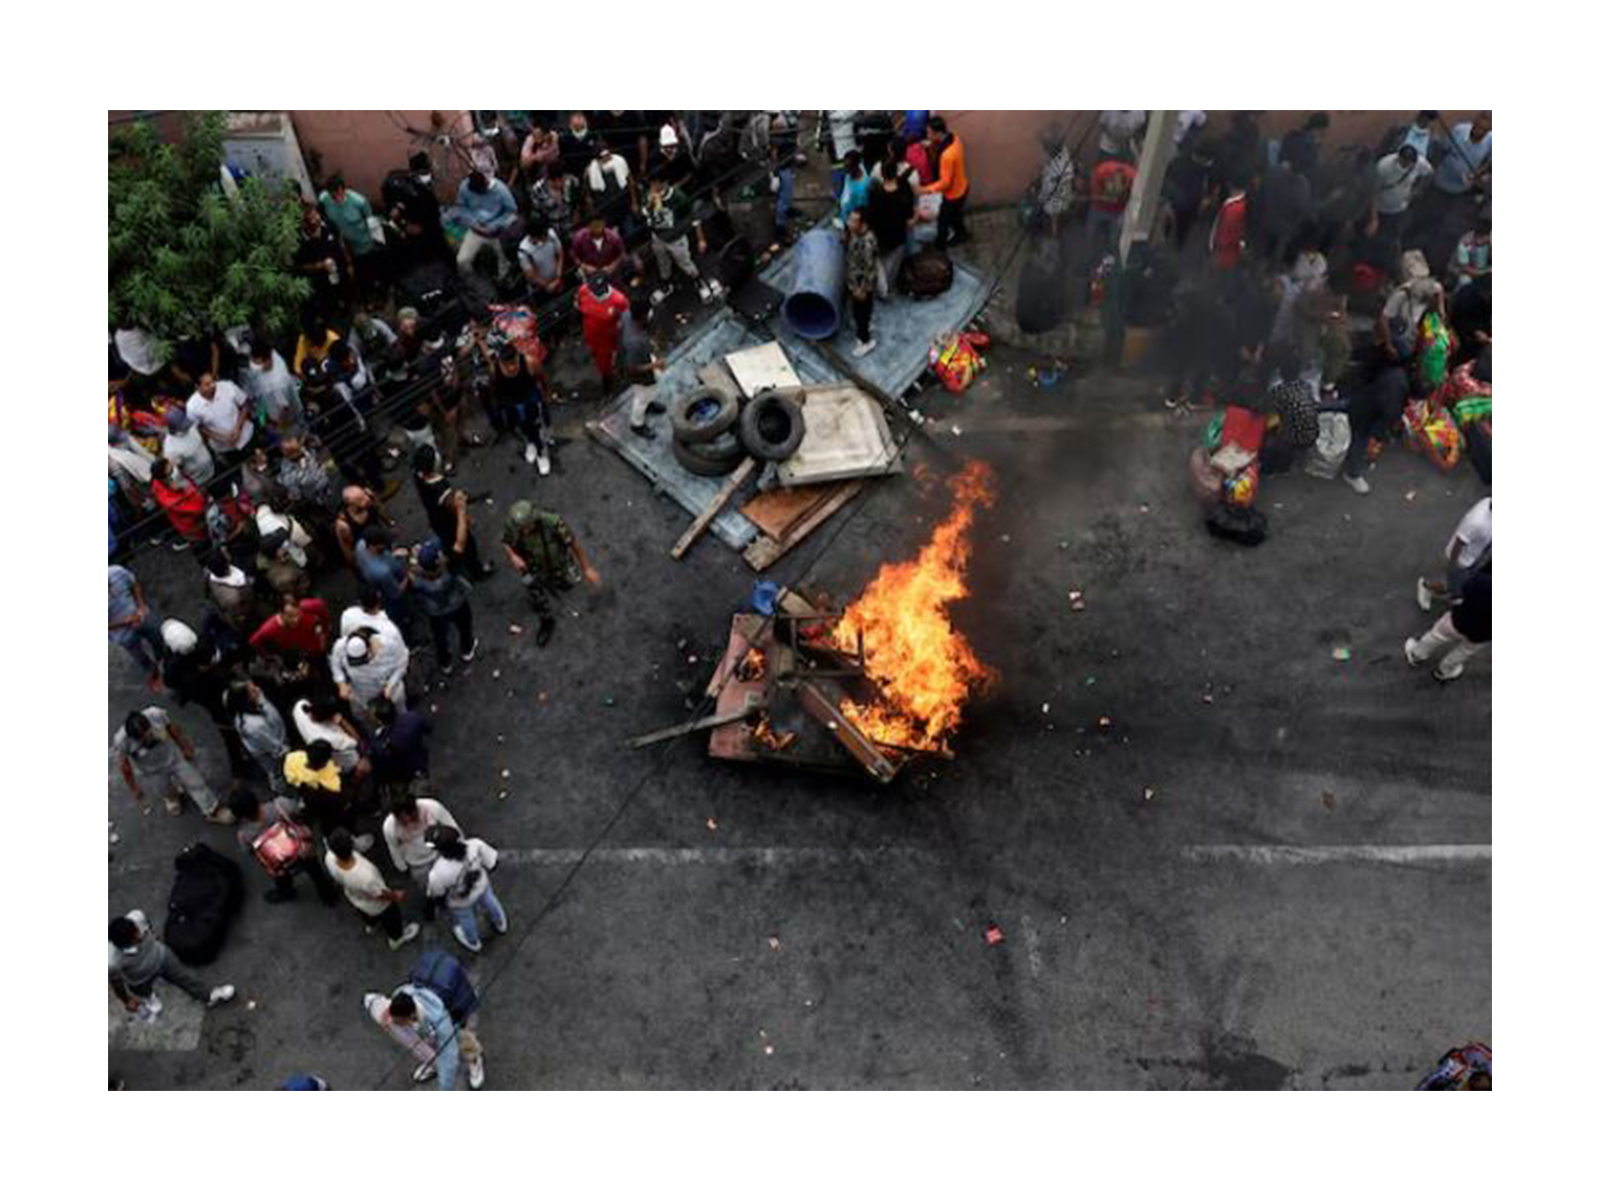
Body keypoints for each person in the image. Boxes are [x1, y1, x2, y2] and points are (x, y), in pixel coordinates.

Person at [502, 500, 600, 645]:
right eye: (521, 528)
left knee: (567, 581)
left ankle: (560, 582)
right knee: (535, 593)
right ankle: (546, 621)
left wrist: (587, 568)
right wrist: (513, 556)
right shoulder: (513, 525)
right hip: (532, 567)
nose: (524, 531)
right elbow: (506, 541)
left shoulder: (553, 522)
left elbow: (573, 544)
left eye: (526, 527)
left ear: (534, 520)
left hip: (558, 563)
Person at [109, 911, 236, 1020]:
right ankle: (151, 998)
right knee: (143, 991)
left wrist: (154, 939)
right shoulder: (112, 962)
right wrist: (127, 1000)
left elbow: (149, 928)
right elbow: (117, 984)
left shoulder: (137, 916)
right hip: (140, 978)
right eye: (135, 936)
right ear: (123, 944)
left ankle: (209, 996)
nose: (139, 934)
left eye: (137, 930)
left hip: (162, 957)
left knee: (185, 977)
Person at [112, 706, 230, 822]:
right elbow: (125, 767)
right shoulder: (121, 741)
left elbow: (173, 729)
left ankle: (211, 810)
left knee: (195, 782)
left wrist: (184, 746)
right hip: (153, 771)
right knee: (164, 789)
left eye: (147, 733)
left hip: (174, 758)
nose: (146, 737)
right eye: (142, 737)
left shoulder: (156, 714)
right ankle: (172, 798)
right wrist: (134, 788)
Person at [364, 979, 485, 1090]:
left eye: (397, 1021)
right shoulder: (399, 1001)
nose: (393, 1024)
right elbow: (373, 1001)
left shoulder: (438, 1019)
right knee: (427, 1038)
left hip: (447, 1016)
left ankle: (474, 1059)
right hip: (424, 1019)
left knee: (459, 1037)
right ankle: (433, 1063)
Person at [227, 785, 338, 905]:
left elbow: (249, 851)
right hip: (302, 850)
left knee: (281, 879)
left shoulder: (244, 835)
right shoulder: (280, 805)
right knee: (315, 871)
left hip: (279, 863)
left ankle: (286, 892)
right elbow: (299, 811)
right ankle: (327, 895)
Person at [324, 827, 420, 949]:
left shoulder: (329, 858)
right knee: (391, 918)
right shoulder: (366, 875)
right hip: (378, 905)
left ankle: (372, 925)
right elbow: (380, 893)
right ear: (352, 844)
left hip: (354, 897)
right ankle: (397, 938)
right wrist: (395, 896)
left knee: (364, 911)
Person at [413, 444, 493, 579]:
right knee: (468, 546)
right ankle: (477, 571)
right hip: (449, 522)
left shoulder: (418, 476)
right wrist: (465, 516)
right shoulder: (440, 489)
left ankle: (454, 564)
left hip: (436, 520)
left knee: (447, 543)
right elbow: (454, 508)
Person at [1405, 560, 1490, 682]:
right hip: (1483, 633)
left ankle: (1416, 655)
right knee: (1464, 651)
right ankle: (1444, 670)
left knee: (1436, 636)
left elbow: (1465, 588)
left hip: (1459, 618)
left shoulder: (1483, 581)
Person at [426, 826, 506, 954]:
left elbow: (438, 895)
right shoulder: (475, 844)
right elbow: (492, 864)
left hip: (460, 901)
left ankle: (474, 942)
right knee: (491, 902)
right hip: (482, 886)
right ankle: (500, 923)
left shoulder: (437, 873)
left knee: (466, 920)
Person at [412, 539, 479, 674]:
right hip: (457, 605)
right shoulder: (449, 573)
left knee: (440, 638)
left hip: (435, 612)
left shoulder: (418, 581)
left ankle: (445, 662)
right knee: (465, 627)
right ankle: (467, 649)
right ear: (438, 562)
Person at [488, 342, 554, 473]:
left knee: (537, 427)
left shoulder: (530, 362)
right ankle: (530, 442)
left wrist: (547, 394)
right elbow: (493, 387)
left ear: (518, 357)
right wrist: (497, 405)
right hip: (511, 402)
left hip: (530, 398)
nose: (511, 367)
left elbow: (543, 378)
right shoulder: (494, 369)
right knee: (520, 425)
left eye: (513, 363)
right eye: (507, 364)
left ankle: (542, 454)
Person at [643, 176, 709, 304]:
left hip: (676, 238)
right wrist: (652, 203)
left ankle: (699, 282)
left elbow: (693, 217)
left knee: (685, 263)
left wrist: (701, 238)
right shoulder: (649, 195)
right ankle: (666, 285)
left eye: (656, 183)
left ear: (664, 182)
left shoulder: (678, 197)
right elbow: (646, 215)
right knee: (663, 263)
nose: (653, 187)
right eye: (652, 184)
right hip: (658, 237)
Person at [1419, 498, 1491, 611]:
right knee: (1455, 588)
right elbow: (1459, 543)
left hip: (1474, 557)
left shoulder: (1488, 502)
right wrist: (1453, 567)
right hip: (1461, 561)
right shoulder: (1476, 522)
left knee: (1460, 584)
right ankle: (1426, 587)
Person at [1370, 144, 1433, 269]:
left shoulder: (1419, 163)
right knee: (1374, 239)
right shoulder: (1384, 166)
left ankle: (1383, 265)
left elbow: (1429, 173)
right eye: (1405, 162)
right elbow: (1373, 192)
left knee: (1391, 239)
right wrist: (1373, 218)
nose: (1407, 166)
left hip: (1399, 210)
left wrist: (1417, 190)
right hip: (1380, 209)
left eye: (1409, 164)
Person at [382, 791, 459, 893]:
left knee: (453, 880)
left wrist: (461, 846)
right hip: (418, 865)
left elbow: (452, 826)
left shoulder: (433, 808)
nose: (408, 821)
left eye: (412, 817)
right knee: (431, 890)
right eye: (403, 821)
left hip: (440, 854)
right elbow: (393, 848)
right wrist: (402, 868)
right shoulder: (389, 827)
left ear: (416, 808)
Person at [318, 174, 382, 293]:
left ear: (343, 189)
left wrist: (377, 241)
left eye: (337, 195)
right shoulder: (324, 198)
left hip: (364, 244)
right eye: (332, 196)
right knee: (357, 274)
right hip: (346, 246)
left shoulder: (359, 202)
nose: (335, 199)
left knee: (371, 271)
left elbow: (371, 222)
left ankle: (377, 291)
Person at [331, 626, 410, 722]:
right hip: (360, 692)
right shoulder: (340, 646)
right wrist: (341, 684)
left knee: (400, 710)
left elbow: (402, 663)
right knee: (360, 714)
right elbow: (335, 664)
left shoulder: (391, 645)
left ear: (370, 648)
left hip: (390, 689)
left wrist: (391, 684)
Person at [452, 170, 519, 282]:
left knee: (504, 261)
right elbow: (461, 208)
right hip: (476, 229)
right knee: (462, 261)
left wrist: (495, 225)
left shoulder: (500, 190)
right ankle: (472, 282)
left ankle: (503, 280)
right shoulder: (465, 187)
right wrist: (473, 223)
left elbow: (512, 212)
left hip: (497, 232)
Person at [227, 681, 291, 794]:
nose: (258, 689)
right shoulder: (254, 726)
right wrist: (288, 752)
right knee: (277, 773)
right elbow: (273, 747)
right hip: (272, 753)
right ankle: (282, 792)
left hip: (274, 741)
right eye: (253, 691)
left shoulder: (252, 705)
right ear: (246, 699)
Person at [109, 564, 166, 689]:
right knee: (139, 656)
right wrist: (126, 621)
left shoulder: (117, 571)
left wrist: (141, 606)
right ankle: (153, 672)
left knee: (157, 635)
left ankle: (162, 661)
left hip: (139, 614)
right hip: (121, 632)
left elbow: (134, 583)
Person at [186, 371, 255, 470]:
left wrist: (238, 428)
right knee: (241, 469)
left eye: (213, 381)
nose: (213, 385)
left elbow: (245, 404)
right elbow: (200, 427)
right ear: (197, 387)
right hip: (224, 448)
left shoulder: (228, 386)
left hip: (246, 436)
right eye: (207, 384)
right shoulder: (192, 406)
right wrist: (221, 438)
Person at [577, 271, 631, 392]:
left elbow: (627, 320)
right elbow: (579, 306)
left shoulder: (619, 300)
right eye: (594, 289)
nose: (596, 292)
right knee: (599, 359)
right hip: (591, 334)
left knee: (610, 362)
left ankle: (612, 378)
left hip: (609, 339)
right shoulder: (583, 290)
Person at [922, 116, 969, 248]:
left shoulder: (947, 156)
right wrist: (931, 144)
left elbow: (945, 183)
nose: (927, 136)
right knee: (956, 216)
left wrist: (924, 190)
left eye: (929, 133)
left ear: (938, 133)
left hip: (953, 195)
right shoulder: (955, 139)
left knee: (943, 222)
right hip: (963, 186)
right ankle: (963, 234)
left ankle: (940, 246)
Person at [370, 697, 435, 793]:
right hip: (419, 756)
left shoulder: (380, 742)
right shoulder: (412, 717)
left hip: (402, 769)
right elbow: (427, 727)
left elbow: (382, 763)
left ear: (379, 720)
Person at [295, 205, 352, 309]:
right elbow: (299, 266)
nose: (315, 220)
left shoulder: (328, 225)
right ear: (304, 223)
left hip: (340, 271)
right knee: (329, 304)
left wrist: (349, 264)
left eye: (316, 215)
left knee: (346, 295)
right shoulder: (299, 240)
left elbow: (341, 243)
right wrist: (319, 266)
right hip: (321, 282)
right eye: (310, 219)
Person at [250, 593, 332, 660]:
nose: (295, 620)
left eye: (298, 614)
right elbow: (254, 641)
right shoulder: (271, 627)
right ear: (281, 613)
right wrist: (268, 656)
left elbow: (321, 606)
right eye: (290, 616)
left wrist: (324, 632)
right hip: (301, 654)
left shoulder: (306, 606)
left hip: (318, 643)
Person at [1087, 155, 1137, 260]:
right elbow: (1095, 195)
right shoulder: (1100, 172)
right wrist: (1105, 198)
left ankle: (1110, 254)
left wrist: (1124, 200)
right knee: (1091, 233)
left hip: (1117, 211)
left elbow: (1137, 196)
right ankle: (1089, 253)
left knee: (1115, 237)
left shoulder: (1133, 176)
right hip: (1099, 207)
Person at [334, 484, 393, 571]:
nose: (366, 499)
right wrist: (358, 569)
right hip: (368, 552)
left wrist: (390, 523)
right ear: (351, 505)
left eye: (364, 495)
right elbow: (347, 551)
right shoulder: (343, 524)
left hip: (380, 537)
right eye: (360, 499)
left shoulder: (368, 496)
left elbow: (380, 508)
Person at [845, 210, 879, 358]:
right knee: (861, 310)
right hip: (854, 281)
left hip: (861, 286)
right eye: (850, 219)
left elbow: (869, 270)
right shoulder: (856, 233)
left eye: (853, 221)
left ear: (863, 224)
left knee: (861, 313)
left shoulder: (867, 244)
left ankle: (865, 341)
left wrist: (862, 290)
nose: (849, 223)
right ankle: (865, 325)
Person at [582, 140, 635, 230]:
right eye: (603, 156)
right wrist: (593, 211)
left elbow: (630, 182)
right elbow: (588, 195)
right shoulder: (590, 170)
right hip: (605, 210)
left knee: (629, 230)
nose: (606, 157)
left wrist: (634, 202)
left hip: (623, 205)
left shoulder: (620, 161)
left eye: (607, 154)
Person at [161, 407, 215, 490]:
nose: (188, 425)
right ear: (174, 428)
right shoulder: (171, 449)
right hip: (202, 481)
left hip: (213, 466)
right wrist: (186, 486)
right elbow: (174, 473)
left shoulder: (191, 427)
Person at [339, 582, 405, 647]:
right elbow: (402, 652)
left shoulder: (347, 614)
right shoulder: (390, 630)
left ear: (360, 602)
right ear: (379, 601)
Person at [570, 215, 631, 284]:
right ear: (588, 226)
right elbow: (574, 255)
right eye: (594, 226)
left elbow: (621, 253)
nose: (597, 229)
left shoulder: (613, 237)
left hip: (611, 275)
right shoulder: (579, 237)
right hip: (590, 276)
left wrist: (612, 266)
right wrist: (584, 266)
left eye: (599, 225)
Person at [517, 215, 565, 299]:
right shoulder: (524, 250)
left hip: (557, 277)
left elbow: (560, 254)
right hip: (541, 287)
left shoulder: (551, 233)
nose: (546, 237)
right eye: (544, 236)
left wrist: (558, 276)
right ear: (535, 236)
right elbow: (530, 275)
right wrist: (547, 284)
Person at [1209, 177, 1249, 270]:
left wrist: (1216, 251)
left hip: (1225, 257)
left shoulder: (1233, 209)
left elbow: (1224, 236)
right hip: (1231, 254)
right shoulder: (1240, 204)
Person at [1451, 218, 1492, 292]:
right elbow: (1465, 268)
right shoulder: (1465, 244)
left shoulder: (1489, 240)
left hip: (1483, 270)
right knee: (1465, 281)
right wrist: (1486, 272)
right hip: (1462, 271)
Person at [837, 149, 870, 228]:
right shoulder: (848, 176)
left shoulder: (863, 188)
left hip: (853, 220)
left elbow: (859, 211)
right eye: (845, 165)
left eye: (848, 167)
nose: (845, 169)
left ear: (855, 166)